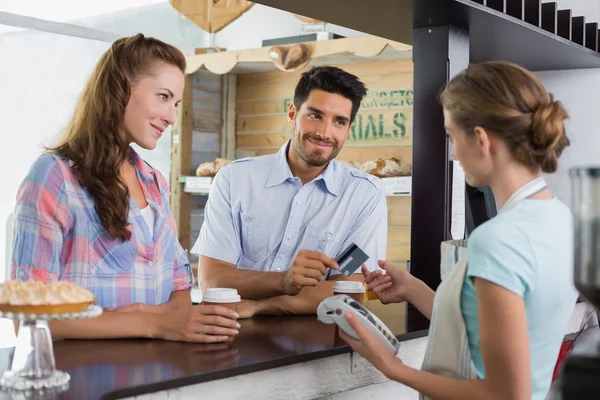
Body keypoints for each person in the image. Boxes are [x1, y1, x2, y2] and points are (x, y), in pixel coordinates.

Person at [340, 61, 579, 400]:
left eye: (451, 136)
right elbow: (498, 328)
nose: (452, 153)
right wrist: (413, 289)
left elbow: (503, 394)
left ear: (481, 139)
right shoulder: (559, 218)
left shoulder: (498, 239)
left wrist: (390, 366)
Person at [11, 34, 240, 343]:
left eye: (176, 103)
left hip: (158, 378)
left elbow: (179, 294)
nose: (172, 117)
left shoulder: (154, 181)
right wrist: (151, 322)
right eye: (163, 96)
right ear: (120, 88)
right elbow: (28, 317)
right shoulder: (55, 176)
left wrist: (149, 318)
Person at [192, 66, 388, 316]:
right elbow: (214, 280)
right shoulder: (234, 179)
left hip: (316, 343)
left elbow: (349, 289)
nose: (325, 133)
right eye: (315, 115)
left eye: (339, 121)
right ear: (292, 113)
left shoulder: (363, 195)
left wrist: (259, 306)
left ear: (348, 129)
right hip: (230, 333)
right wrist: (283, 282)